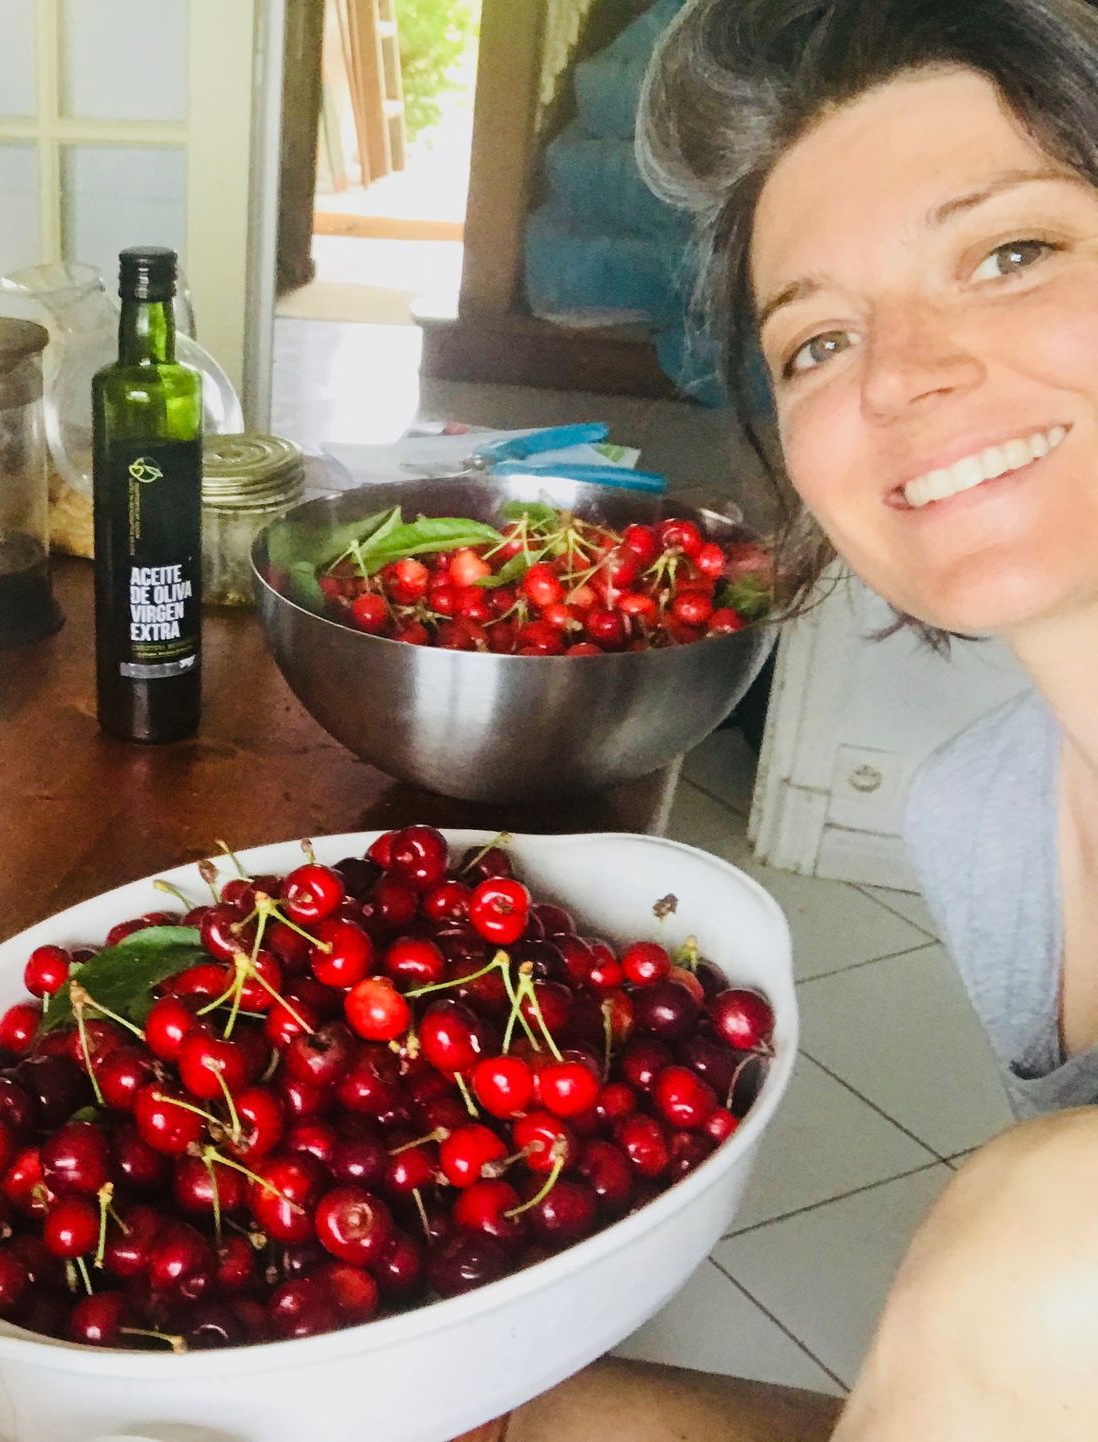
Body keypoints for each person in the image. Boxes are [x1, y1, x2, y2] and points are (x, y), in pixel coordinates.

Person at [487, 2, 1098, 1438]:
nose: (897, 373)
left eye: (1011, 252)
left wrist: (1025, 1281)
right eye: (817, 338)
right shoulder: (991, 827)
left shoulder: (1054, 1259)